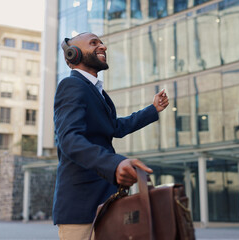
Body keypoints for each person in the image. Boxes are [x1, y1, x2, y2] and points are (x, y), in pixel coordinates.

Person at [53, 32, 169, 240]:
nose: (103, 47)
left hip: (105, 202)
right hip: (82, 206)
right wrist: (114, 164)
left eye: (102, 43)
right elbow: (69, 140)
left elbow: (114, 127)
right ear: (74, 53)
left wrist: (152, 110)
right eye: (94, 43)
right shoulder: (71, 85)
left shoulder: (97, 91)